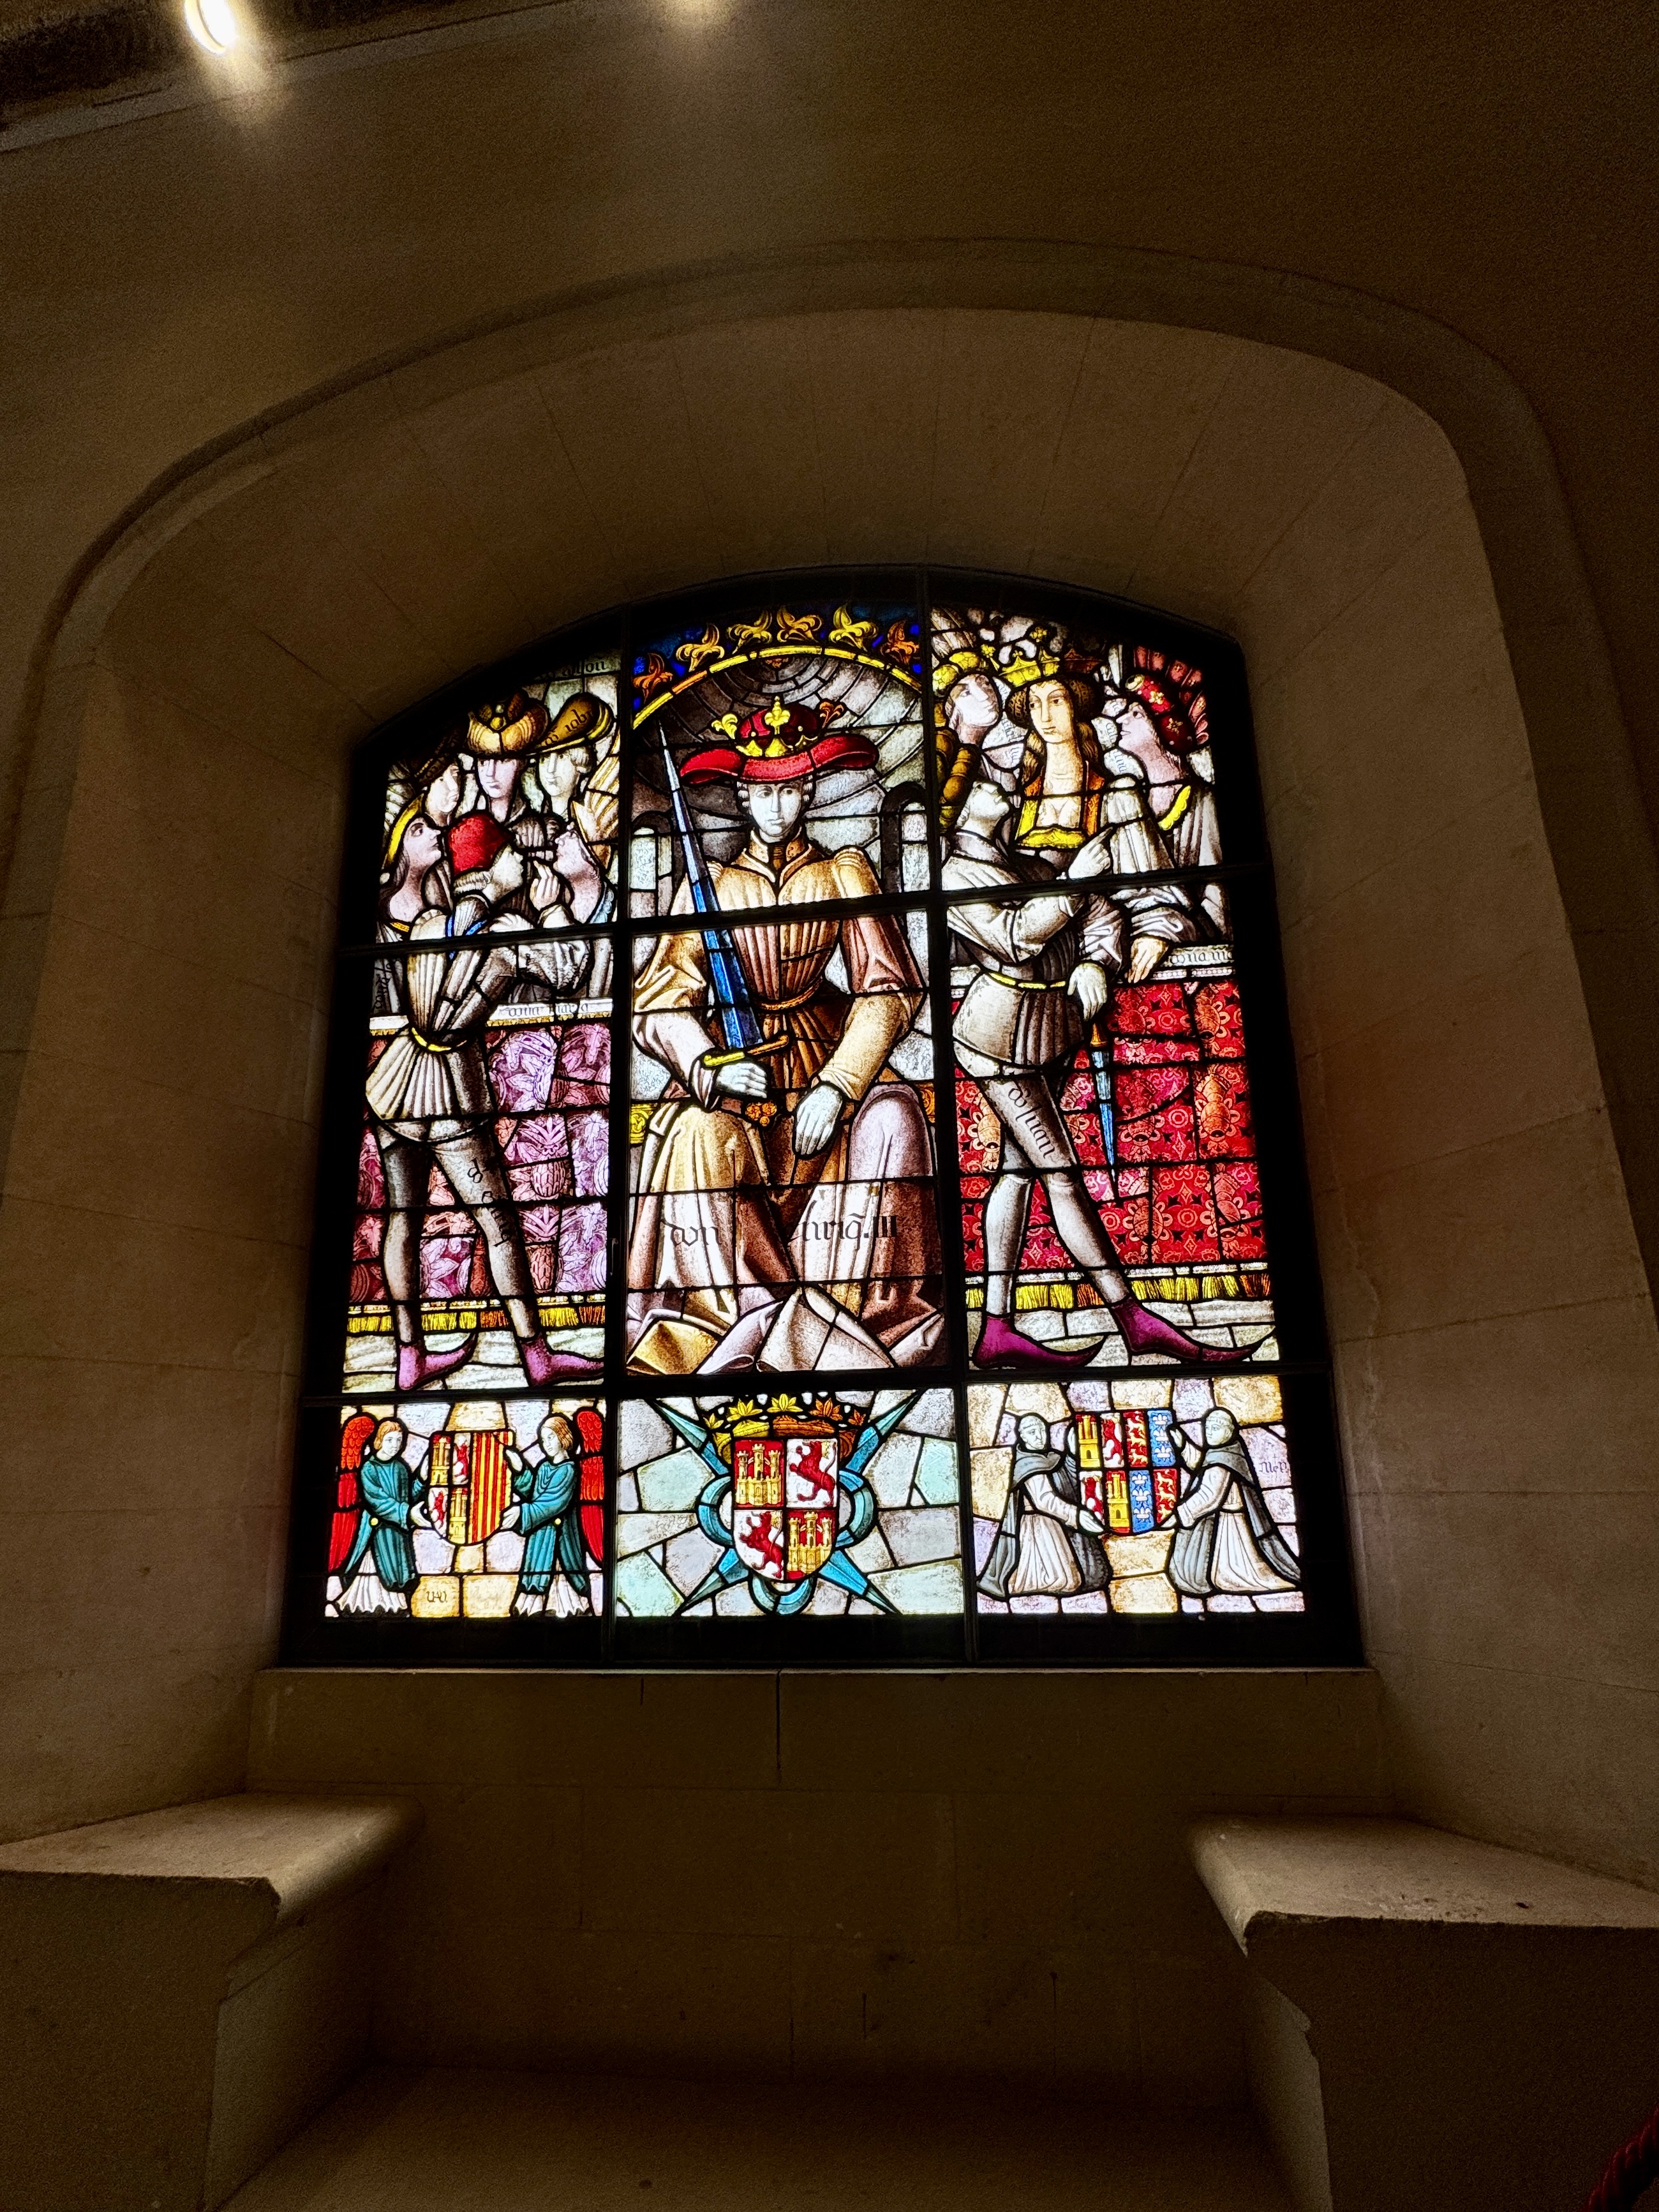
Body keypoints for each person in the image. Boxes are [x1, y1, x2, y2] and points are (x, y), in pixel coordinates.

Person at [627, 701, 941, 1373]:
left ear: (807, 793)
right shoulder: (707, 886)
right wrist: (707, 1064)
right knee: (693, 1134)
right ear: (744, 796)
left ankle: (852, 1316)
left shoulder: (841, 874)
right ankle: (730, 1327)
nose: (777, 806)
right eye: (763, 792)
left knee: (895, 1115)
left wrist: (837, 1084)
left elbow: (888, 988)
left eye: (790, 790)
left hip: (824, 1047)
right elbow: (656, 1004)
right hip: (739, 1065)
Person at [944, 769, 1248, 1370]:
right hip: (995, 1037)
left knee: (1017, 1172)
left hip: (1051, 1028)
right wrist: (1075, 883)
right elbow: (1012, 938)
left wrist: (1096, 962)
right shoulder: (954, 874)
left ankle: (997, 1326)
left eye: (1011, 777)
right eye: (989, 780)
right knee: (1059, 1172)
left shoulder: (1029, 864)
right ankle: (1132, 1317)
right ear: (961, 807)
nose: (1005, 783)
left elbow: (1102, 913)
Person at [364, 810, 596, 1389]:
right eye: (515, 855)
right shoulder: (507, 938)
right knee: (498, 1224)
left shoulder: (426, 924)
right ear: (498, 865)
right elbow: (572, 968)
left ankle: (409, 1355)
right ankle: (536, 1356)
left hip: (394, 1085)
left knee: (402, 1221)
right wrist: (550, 909)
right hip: (448, 1092)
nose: (526, 862)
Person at [1168, 1407, 1302, 1597]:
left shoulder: (1223, 1461)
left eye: (1216, 1428)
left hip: (1231, 1524)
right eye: (1208, 1428)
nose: (1210, 1432)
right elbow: (1204, 1466)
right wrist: (1184, 1447)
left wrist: (1179, 1514)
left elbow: (1208, 1496)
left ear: (1229, 1432)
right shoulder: (1227, 1452)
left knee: (1233, 1571)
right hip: (1228, 1520)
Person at [505, 1411, 594, 1617]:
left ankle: (569, 1611)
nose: (547, 1443)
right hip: (541, 1536)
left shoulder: (569, 1470)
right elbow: (534, 1495)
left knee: (562, 1576)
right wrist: (520, 1470)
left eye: (551, 1437)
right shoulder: (544, 1467)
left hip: (560, 1536)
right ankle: (534, 1612)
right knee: (537, 1578)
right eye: (543, 1439)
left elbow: (553, 1503)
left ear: (563, 1437)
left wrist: (522, 1513)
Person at [336, 1417, 427, 1613]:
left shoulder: (400, 1468)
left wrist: (421, 1478)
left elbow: (407, 1496)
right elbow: (378, 1502)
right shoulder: (369, 1468)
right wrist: (407, 1514)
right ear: (379, 1441)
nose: (395, 1446)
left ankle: (394, 1609)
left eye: (399, 1440)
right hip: (376, 1532)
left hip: (396, 1532)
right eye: (390, 1440)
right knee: (374, 1571)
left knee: (396, 1571)